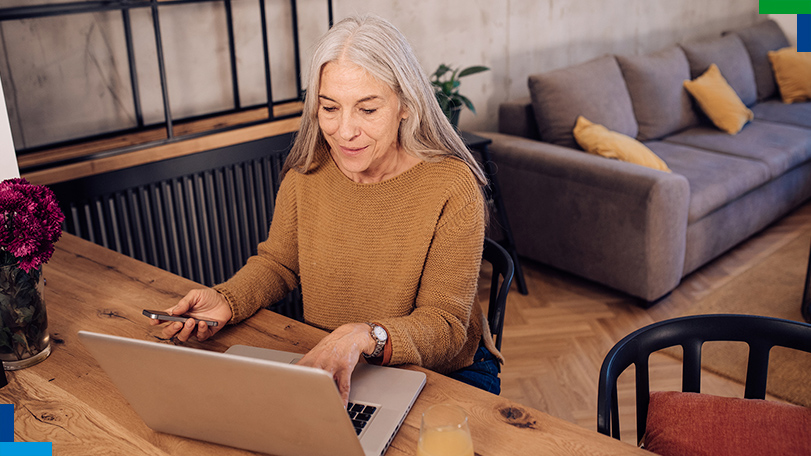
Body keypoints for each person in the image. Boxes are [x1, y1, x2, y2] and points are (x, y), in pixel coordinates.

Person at [150, 14, 502, 403]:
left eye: (367, 110)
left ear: (406, 105)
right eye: (330, 108)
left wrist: (365, 335)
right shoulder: (309, 172)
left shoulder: (451, 186)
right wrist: (228, 299)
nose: (344, 131)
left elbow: (446, 324)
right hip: (335, 360)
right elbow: (279, 264)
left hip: (441, 372)